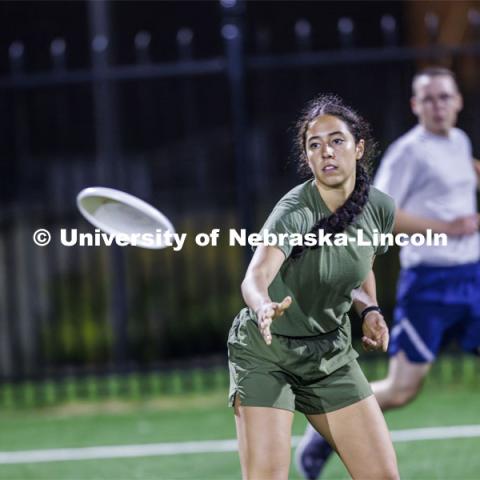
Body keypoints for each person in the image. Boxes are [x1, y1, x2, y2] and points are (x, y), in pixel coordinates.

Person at [296, 67, 480, 480]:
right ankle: (324, 431)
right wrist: (447, 228)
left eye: (445, 97)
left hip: (474, 278)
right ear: (416, 106)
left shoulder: (458, 142)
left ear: (458, 100)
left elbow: (460, 174)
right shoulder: (408, 153)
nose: (439, 105)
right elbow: (378, 214)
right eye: (429, 99)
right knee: (401, 389)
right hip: (431, 285)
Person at [227, 94, 400, 480]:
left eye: (337, 140)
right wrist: (261, 306)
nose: (327, 152)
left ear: (359, 148)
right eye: (315, 145)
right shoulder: (294, 211)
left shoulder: (380, 208)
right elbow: (255, 276)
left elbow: (360, 269)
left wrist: (369, 310)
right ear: (307, 158)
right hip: (267, 353)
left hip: (330, 355)